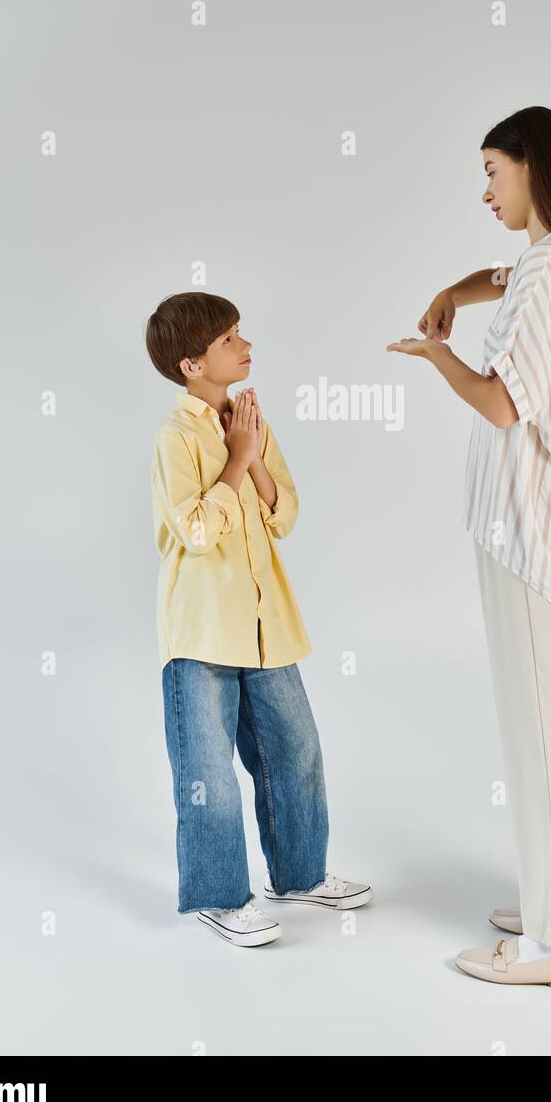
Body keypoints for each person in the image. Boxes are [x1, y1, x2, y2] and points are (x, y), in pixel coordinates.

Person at [387, 105, 551, 988]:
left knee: (545, 733)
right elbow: (508, 274)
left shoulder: (544, 279)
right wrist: (458, 289)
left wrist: (432, 354)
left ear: (536, 169)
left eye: (493, 169)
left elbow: (500, 402)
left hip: (534, 539)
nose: (483, 188)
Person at [145, 291, 373, 948]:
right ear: (192, 363)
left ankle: (298, 875)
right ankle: (219, 895)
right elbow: (192, 530)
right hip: (200, 628)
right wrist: (238, 456)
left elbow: (285, 513)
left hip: (266, 621)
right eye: (228, 340)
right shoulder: (176, 437)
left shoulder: (251, 421)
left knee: (294, 751)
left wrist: (249, 446)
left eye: (240, 334)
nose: (245, 347)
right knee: (207, 771)